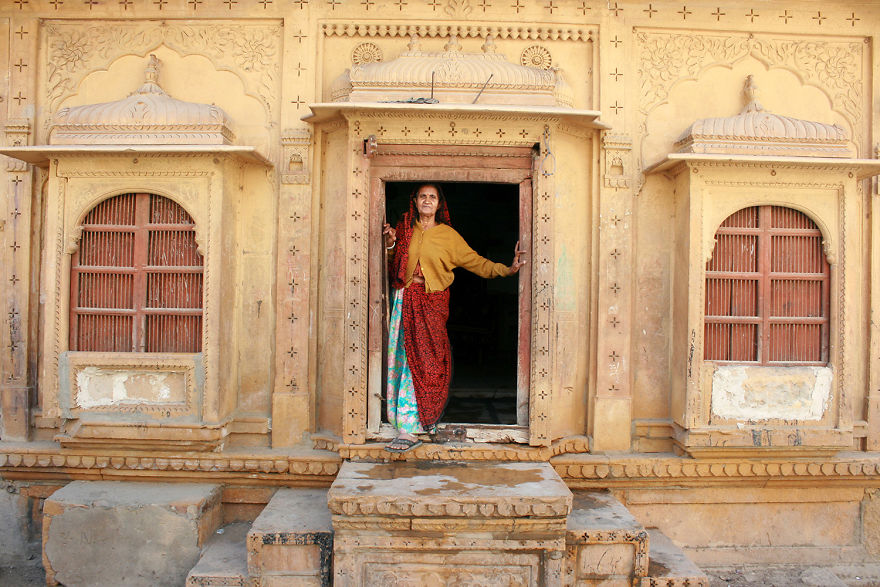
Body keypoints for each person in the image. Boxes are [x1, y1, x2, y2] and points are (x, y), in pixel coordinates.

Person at [382, 183, 525, 452]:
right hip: (405, 299)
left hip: (433, 302)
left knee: (429, 360)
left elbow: (476, 262)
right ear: (415, 201)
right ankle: (407, 426)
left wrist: (507, 269)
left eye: (432, 197)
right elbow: (392, 261)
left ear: (439, 204)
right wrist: (390, 243)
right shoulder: (404, 230)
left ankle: (424, 419)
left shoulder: (448, 236)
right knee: (405, 359)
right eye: (422, 196)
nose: (427, 200)